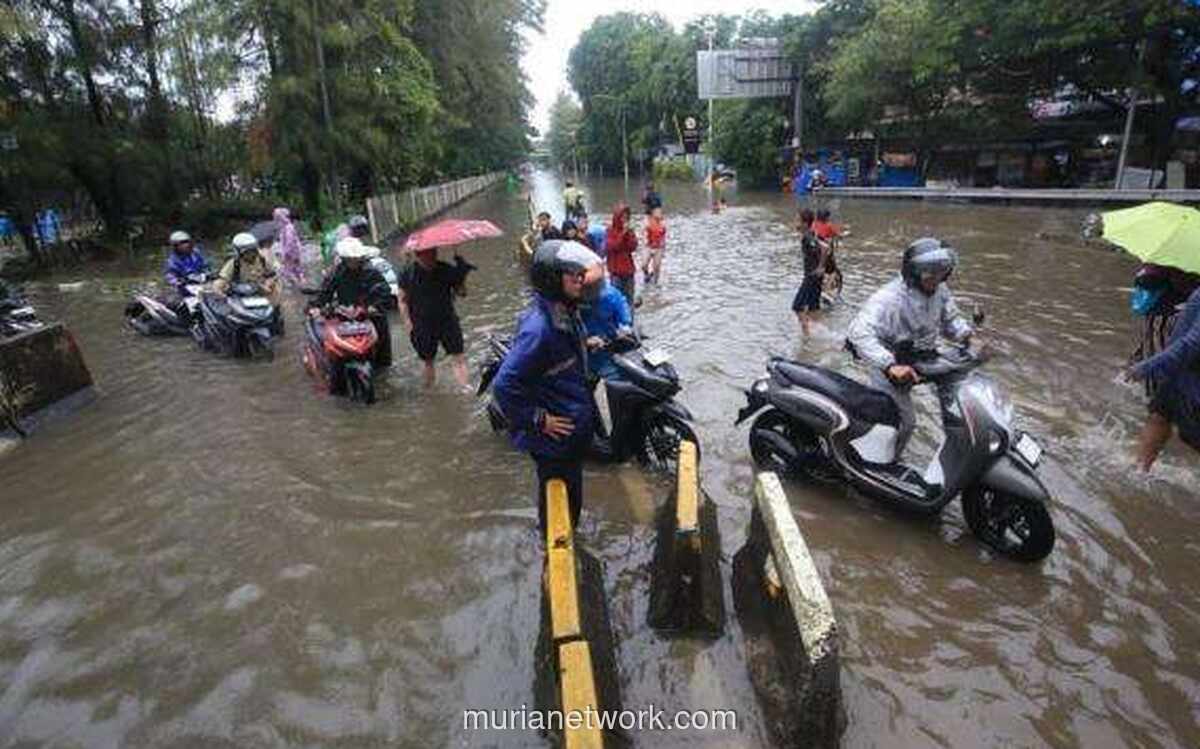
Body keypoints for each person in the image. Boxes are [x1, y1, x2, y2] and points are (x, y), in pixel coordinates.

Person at [492, 240, 601, 531]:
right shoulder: (539, 329)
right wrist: (539, 419)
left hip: (570, 438)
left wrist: (584, 346)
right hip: (555, 444)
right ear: (553, 279)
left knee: (569, 504)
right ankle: (552, 558)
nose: (580, 278)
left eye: (580, 272)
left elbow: (558, 358)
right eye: (571, 274)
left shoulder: (563, 311)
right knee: (559, 511)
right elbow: (504, 385)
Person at [845, 238, 973, 461]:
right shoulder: (890, 299)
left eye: (941, 271)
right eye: (929, 272)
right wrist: (890, 365)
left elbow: (951, 319)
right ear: (913, 273)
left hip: (921, 355)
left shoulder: (940, 290)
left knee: (960, 399)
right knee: (906, 421)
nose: (936, 277)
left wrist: (964, 333)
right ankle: (885, 463)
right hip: (889, 359)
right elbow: (858, 331)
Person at [1131, 283, 1200, 470]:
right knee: (1159, 415)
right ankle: (1141, 470)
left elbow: (1192, 343)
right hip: (1178, 373)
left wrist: (1148, 366)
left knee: (1190, 434)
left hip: (1190, 376)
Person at [308, 237, 394, 368]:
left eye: (356, 259)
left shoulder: (370, 271)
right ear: (344, 259)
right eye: (351, 259)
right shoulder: (337, 272)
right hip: (347, 315)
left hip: (370, 314)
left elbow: (384, 291)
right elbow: (326, 291)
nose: (354, 262)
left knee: (383, 355)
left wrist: (374, 306)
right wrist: (315, 306)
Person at [398, 247, 474, 389]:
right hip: (421, 323)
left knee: (458, 356)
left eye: (434, 254)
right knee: (428, 361)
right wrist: (407, 322)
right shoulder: (408, 274)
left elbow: (462, 293)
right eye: (428, 255)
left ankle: (465, 389)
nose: (432, 258)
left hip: (447, 320)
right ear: (418, 255)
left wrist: (462, 274)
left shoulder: (445, 269)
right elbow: (402, 300)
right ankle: (428, 390)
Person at [580, 273, 633, 381]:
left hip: (611, 346)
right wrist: (585, 341)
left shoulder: (610, 295)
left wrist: (625, 325)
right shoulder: (572, 301)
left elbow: (622, 305)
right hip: (587, 353)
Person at [213, 231, 281, 306]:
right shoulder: (234, 264)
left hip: (260, 293)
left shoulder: (262, 260)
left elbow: (273, 275)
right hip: (239, 295)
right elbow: (222, 280)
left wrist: (268, 283)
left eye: (253, 250)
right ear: (239, 252)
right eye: (247, 252)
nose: (251, 254)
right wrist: (219, 291)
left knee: (275, 304)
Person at [791, 210, 828, 336]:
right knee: (813, 307)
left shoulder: (807, 237)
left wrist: (821, 267)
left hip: (811, 276)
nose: (795, 223)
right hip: (816, 276)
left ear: (805, 223)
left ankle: (807, 335)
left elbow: (825, 248)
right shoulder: (810, 234)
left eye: (798, 220)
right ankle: (821, 333)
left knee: (797, 306)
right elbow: (824, 246)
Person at [604, 203, 638, 310]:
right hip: (615, 272)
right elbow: (612, 247)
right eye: (622, 217)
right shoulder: (610, 231)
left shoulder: (629, 231)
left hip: (628, 271)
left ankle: (630, 324)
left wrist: (629, 234)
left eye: (627, 217)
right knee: (616, 300)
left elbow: (633, 247)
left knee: (629, 300)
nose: (624, 220)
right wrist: (623, 233)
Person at [813, 209, 845, 300]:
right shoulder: (828, 226)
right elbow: (838, 235)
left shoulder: (814, 225)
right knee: (833, 272)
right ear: (826, 218)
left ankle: (821, 288)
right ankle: (827, 290)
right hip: (826, 254)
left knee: (821, 271)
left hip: (815, 254)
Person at [274, 207, 305, 287]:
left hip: (291, 254)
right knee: (297, 271)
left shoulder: (288, 228)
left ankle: (297, 287)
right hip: (293, 253)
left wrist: (284, 254)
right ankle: (300, 285)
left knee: (290, 272)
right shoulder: (286, 227)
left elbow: (289, 242)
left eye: (277, 218)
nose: (276, 220)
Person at [642, 206, 667, 284]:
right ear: (653, 214)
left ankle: (655, 282)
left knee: (656, 267)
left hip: (659, 247)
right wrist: (645, 240)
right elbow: (644, 232)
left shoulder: (662, 224)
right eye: (658, 212)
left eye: (660, 213)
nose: (659, 214)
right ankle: (647, 275)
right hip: (649, 246)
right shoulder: (648, 222)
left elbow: (663, 236)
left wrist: (663, 246)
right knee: (644, 265)